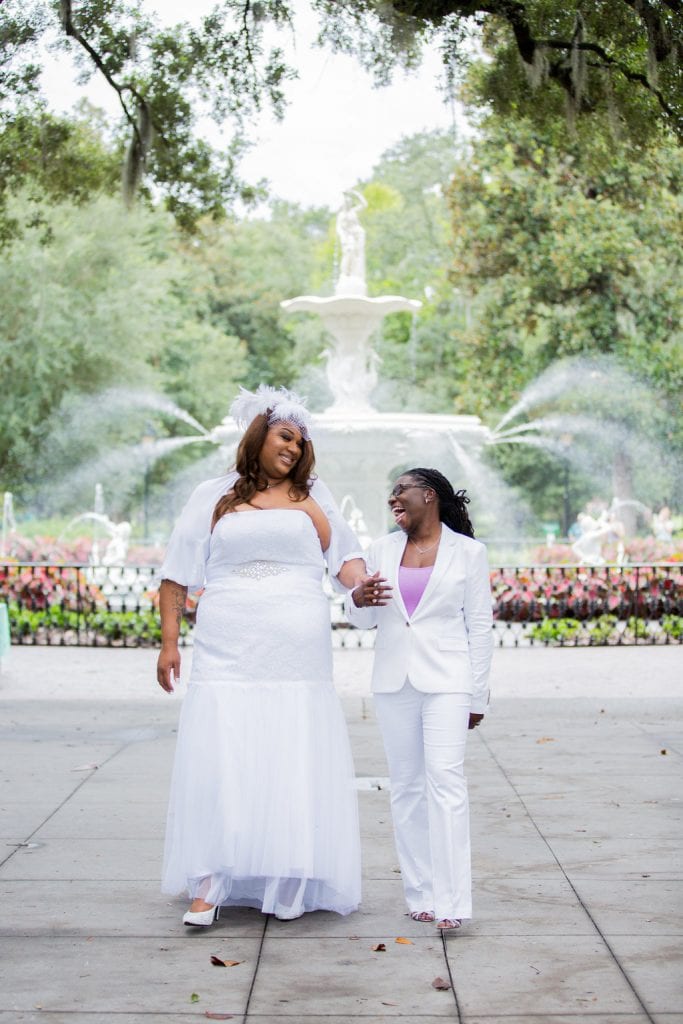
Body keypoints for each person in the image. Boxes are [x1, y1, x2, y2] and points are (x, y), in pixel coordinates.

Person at [157, 385, 365, 927]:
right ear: (259, 436)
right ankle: (209, 880)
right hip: (228, 644)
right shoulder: (215, 495)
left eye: (301, 442)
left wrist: (363, 589)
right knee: (222, 753)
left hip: (296, 649)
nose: (294, 449)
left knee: (291, 750)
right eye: (284, 436)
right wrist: (170, 642)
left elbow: (347, 563)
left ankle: (286, 875)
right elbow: (177, 572)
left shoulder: (313, 496)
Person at [346, 468, 493, 932]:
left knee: (446, 783)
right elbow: (363, 621)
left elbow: (481, 627)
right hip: (394, 682)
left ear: (428, 496)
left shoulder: (469, 553)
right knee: (407, 788)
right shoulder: (381, 550)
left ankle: (453, 902)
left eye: (400, 491)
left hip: (449, 680)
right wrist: (357, 596)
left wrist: (478, 694)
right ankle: (422, 893)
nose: (393, 499)